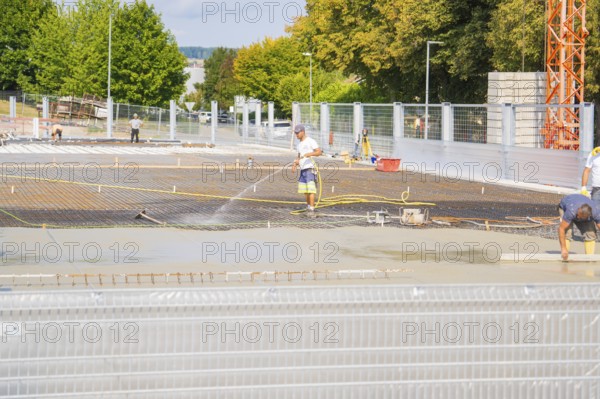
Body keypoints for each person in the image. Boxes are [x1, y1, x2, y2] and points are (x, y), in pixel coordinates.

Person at [291, 124, 322, 217]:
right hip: (303, 169)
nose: (296, 135)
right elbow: (299, 156)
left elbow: (319, 152)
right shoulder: (299, 144)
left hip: (310, 168)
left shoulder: (310, 141)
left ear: (303, 132)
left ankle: (312, 209)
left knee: (311, 189)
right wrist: (295, 164)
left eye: (297, 133)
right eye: (295, 133)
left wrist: (309, 154)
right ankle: (308, 207)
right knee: (305, 190)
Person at [558, 193, 600, 261]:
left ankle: (589, 259)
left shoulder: (596, 213)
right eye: (577, 215)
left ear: (588, 216)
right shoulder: (571, 211)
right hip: (566, 205)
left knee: (591, 234)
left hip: (583, 211)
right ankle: (565, 256)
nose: (577, 218)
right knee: (567, 232)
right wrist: (563, 248)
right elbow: (561, 229)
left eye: (579, 217)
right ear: (578, 209)